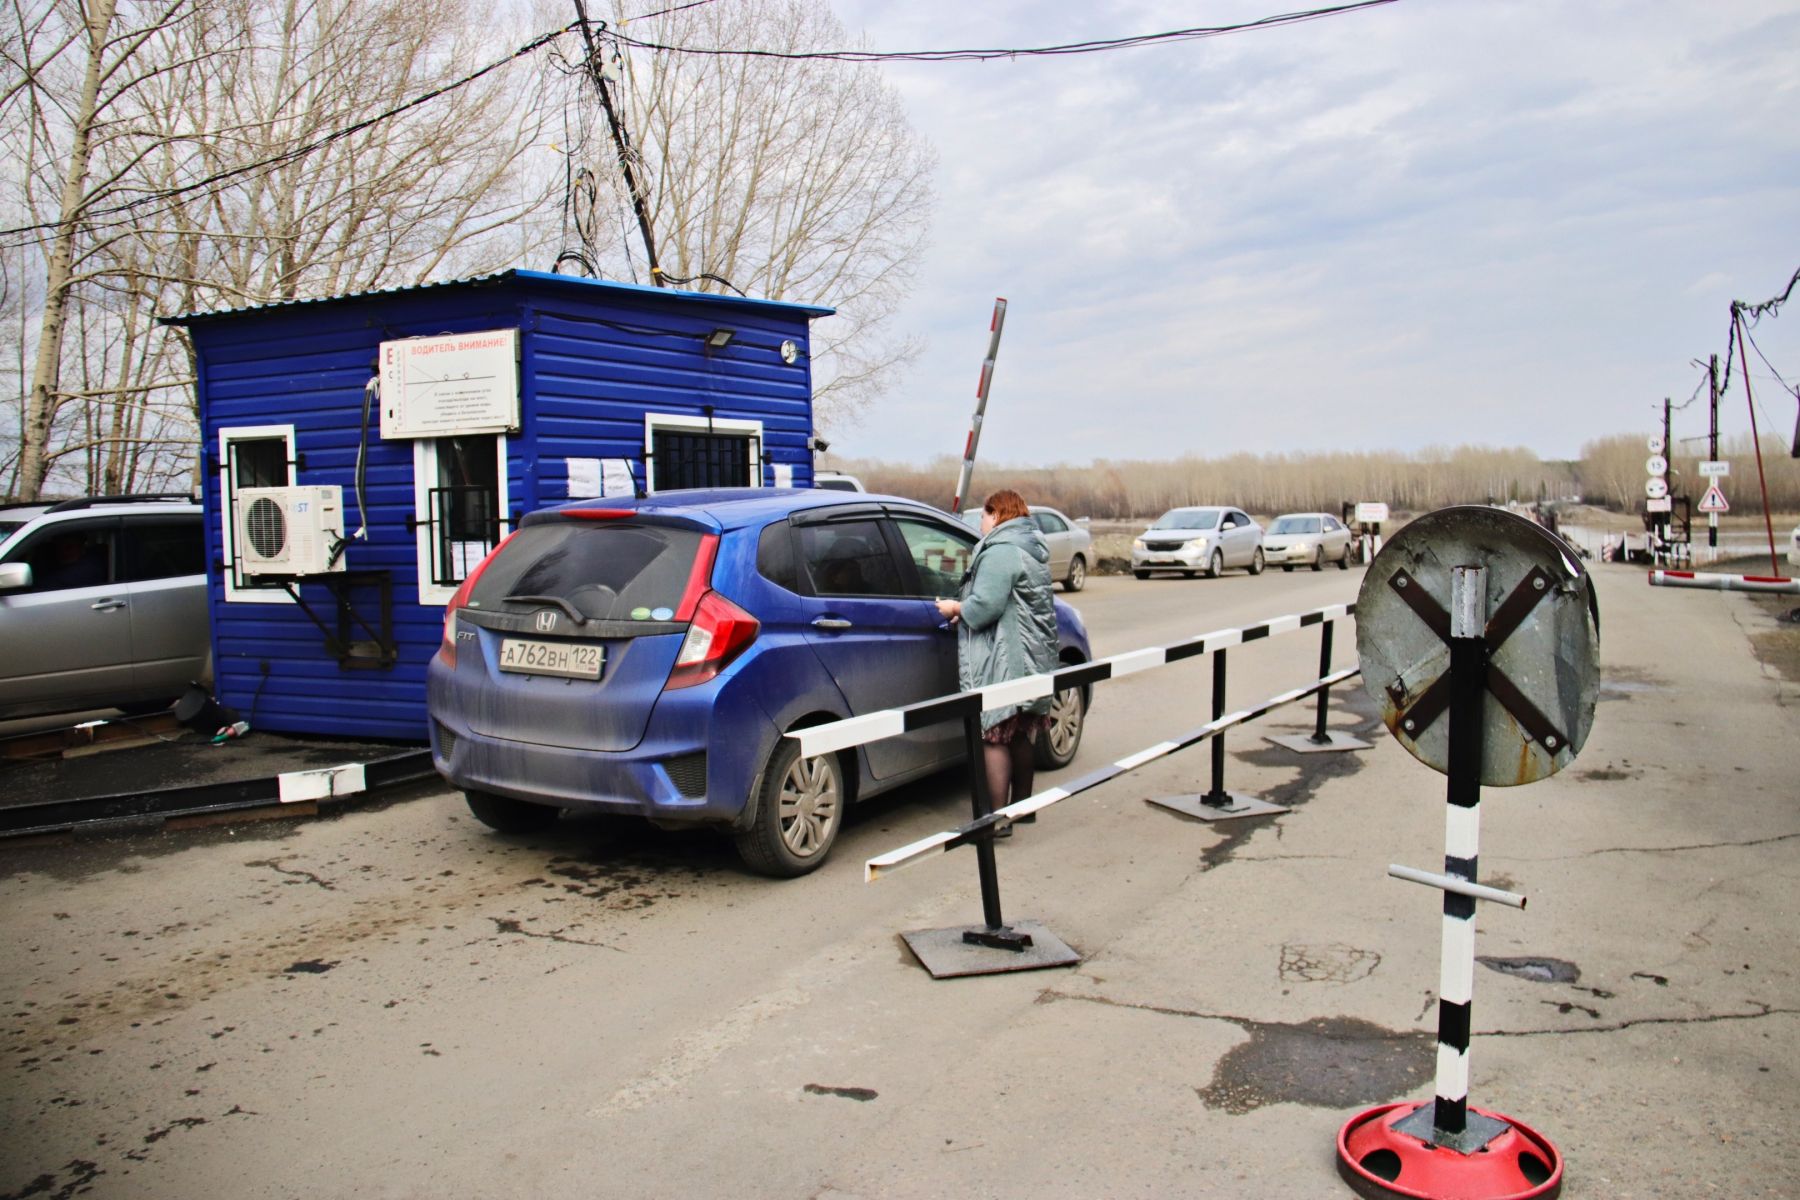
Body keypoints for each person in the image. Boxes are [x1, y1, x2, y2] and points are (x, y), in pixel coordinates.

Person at [935, 490, 1060, 823]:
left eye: (984, 515)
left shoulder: (1001, 551)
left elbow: (987, 604)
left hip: (1005, 657)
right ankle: (1021, 811)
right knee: (1020, 734)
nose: (981, 522)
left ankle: (995, 821)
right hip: (1031, 655)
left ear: (997, 514)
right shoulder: (1030, 548)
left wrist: (956, 608)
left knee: (993, 736)